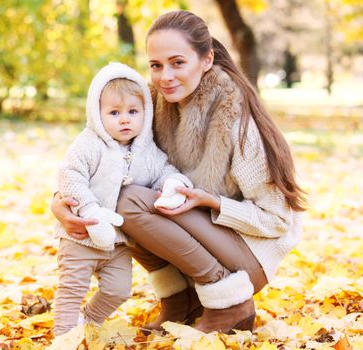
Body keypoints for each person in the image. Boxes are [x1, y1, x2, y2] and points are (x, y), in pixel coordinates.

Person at [52, 11, 306, 335]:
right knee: (122, 197)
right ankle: (180, 301)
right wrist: (61, 200)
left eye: (177, 62)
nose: (165, 76)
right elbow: (104, 158)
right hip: (203, 236)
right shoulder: (151, 105)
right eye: (156, 65)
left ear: (206, 59)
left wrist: (212, 202)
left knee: (129, 201)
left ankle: (229, 302)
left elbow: (277, 220)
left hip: (250, 253)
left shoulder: (235, 120)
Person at [53, 62, 192, 336]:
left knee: (119, 289)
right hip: (81, 235)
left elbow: (162, 170)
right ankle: (64, 337)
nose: (125, 119)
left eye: (132, 112)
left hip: (118, 242)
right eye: (114, 113)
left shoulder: (145, 150)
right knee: (72, 288)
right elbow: (69, 176)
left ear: (145, 113)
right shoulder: (89, 144)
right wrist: (90, 208)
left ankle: (89, 322)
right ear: (97, 113)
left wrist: (173, 182)